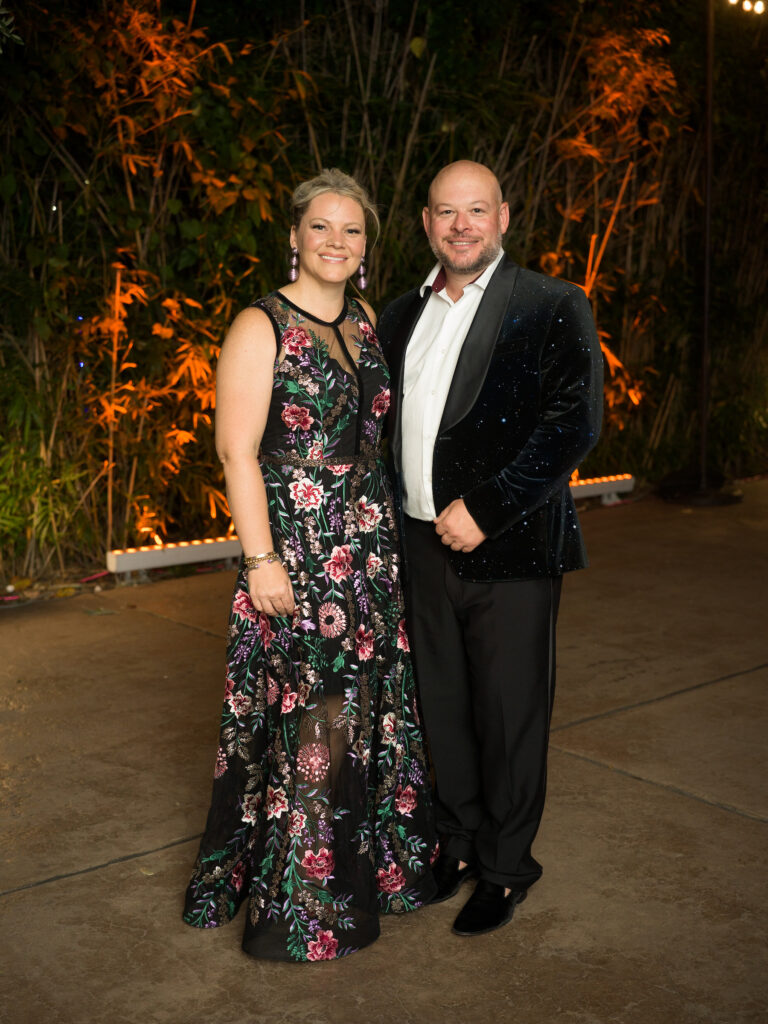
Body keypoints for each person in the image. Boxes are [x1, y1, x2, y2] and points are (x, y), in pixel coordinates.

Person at [183, 168, 437, 962]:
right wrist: (260, 559)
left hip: (366, 541)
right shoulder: (260, 325)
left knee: (366, 705)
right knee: (311, 710)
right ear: (293, 236)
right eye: (320, 227)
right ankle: (307, 906)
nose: (336, 241)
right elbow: (236, 451)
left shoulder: (363, 318)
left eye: (352, 229)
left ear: (366, 244)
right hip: (295, 544)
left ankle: (378, 870)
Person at [377, 159, 603, 937]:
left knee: (509, 715)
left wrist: (490, 507)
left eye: (477, 210)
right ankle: (461, 842)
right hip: (417, 545)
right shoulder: (400, 314)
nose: (461, 225)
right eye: (446, 211)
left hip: (508, 549)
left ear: (503, 217)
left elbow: (573, 424)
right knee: (443, 706)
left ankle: (507, 870)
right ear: (427, 222)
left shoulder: (550, 304)